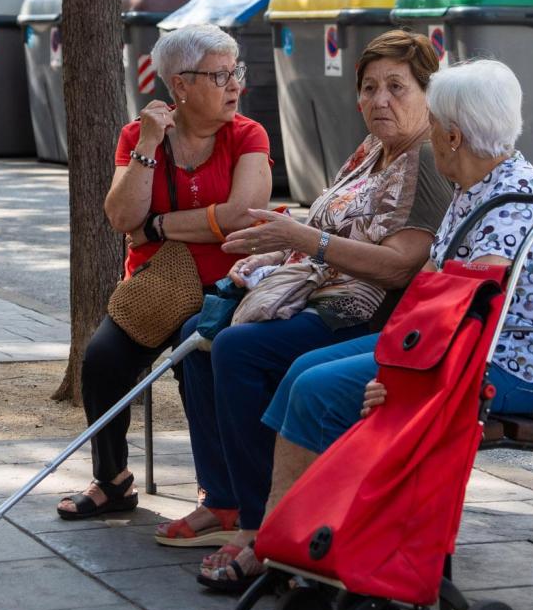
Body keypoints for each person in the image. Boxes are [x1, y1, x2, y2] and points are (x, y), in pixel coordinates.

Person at [205, 60, 533, 590]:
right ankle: (287, 541)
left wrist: (394, 375)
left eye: (433, 125)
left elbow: (470, 317)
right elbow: (433, 292)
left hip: (502, 366)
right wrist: (393, 361)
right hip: (457, 346)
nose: (428, 136)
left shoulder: (514, 205)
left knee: (317, 388)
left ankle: (297, 546)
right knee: (301, 372)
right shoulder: (478, 188)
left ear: (453, 136)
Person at [161, 32, 450, 578]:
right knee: (196, 334)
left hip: (366, 315)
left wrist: (302, 242)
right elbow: (321, 224)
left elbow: (399, 266)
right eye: (369, 88)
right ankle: (224, 495)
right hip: (317, 291)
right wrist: (274, 253)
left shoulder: (428, 159)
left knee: (239, 349)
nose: (381, 100)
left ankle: (256, 523)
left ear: (427, 93)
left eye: (397, 87)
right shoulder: (370, 151)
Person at [56, 24, 272, 520]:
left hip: (228, 284)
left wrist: (158, 225)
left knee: (199, 356)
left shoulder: (247, 134)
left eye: (236, 72)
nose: (236, 85)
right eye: (221, 76)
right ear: (180, 84)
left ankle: (216, 487)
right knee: (103, 359)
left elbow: (244, 214)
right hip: (158, 286)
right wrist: (149, 144)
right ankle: (112, 480)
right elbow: (119, 218)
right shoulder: (139, 135)